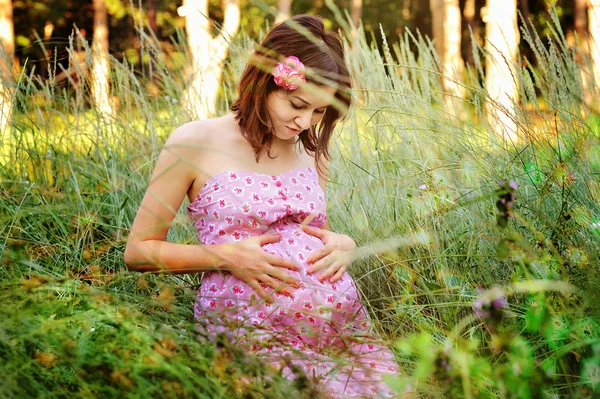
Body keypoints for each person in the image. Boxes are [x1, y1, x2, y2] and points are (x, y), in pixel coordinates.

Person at [124, 14, 400, 398]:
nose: (306, 122)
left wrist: (343, 244)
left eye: (319, 112)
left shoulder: (310, 150)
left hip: (340, 330)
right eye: (297, 104)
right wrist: (225, 257)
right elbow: (138, 252)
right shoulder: (194, 141)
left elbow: (309, 235)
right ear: (263, 82)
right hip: (254, 335)